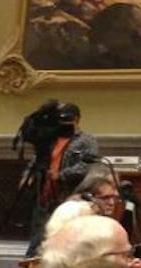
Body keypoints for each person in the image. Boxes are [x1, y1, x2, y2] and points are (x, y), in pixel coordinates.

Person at [28, 102, 99, 255]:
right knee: (38, 236)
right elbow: (36, 159)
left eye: (67, 120)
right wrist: (27, 175)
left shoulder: (86, 140)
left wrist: (60, 175)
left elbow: (86, 166)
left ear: (77, 120)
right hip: (44, 196)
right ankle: (31, 266)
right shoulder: (50, 139)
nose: (63, 124)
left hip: (69, 196)